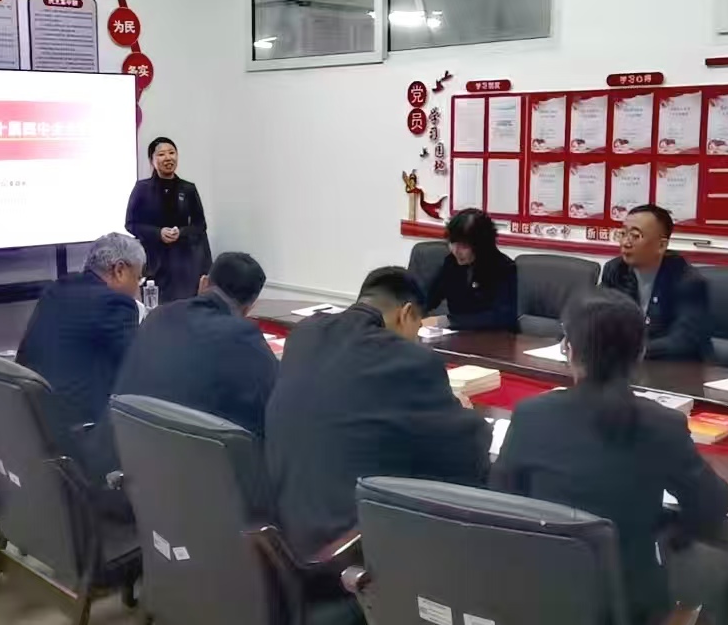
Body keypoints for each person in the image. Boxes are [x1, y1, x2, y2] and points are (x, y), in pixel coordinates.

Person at [492, 288, 728, 623]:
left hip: (543, 599)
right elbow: (713, 504)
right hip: (629, 608)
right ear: (640, 352)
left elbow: (503, 500)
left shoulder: (531, 414)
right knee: (715, 570)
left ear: (568, 349)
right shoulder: (662, 424)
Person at [267, 266, 491, 558]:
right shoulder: (411, 360)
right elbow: (467, 453)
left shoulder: (304, 334)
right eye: (417, 327)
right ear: (406, 314)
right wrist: (462, 413)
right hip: (349, 548)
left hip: (282, 531)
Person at [16, 233, 143, 486]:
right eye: (138, 277)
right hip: (79, 437)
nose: (138, 289)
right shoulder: (114, 303)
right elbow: (139, 367)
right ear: (119, 270)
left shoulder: (57, 289)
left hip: (35, 427)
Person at [114, 252, 277, 435]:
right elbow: (275, 402)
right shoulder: (244, 338)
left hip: (129, 441)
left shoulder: (158, 316)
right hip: (199, 448)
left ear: (203, 283)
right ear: (249, 308)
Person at [601, 204, 711, 360]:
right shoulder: (616, 270)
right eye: (623, 234)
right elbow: (597, 316)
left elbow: (684, 341)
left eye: (635, 236)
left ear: (661, 245)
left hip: (677, 367)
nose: (625, 242)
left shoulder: (688, 281)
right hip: (626, 364)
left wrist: (631, 350)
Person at [125, 137, 213, 303]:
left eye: (172, 153)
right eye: (161, 154)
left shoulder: (188, 188)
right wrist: (158, 233)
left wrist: (181, 232)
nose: (168, 158)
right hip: (152, 261)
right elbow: (131, 224)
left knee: (182, 305)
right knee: (154, 305)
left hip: (183, 263)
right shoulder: (142, 189)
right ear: (152, 160)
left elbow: (200, 225)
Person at [423, 208, 518, 331]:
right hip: (456, 336)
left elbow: (502, 318)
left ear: (482, 245)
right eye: (452, 243)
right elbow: (429, 297)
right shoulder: (451, 262)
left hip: (493, 338)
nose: (456, 251)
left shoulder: (503, 268)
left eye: (464, 246)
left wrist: (448, 321)